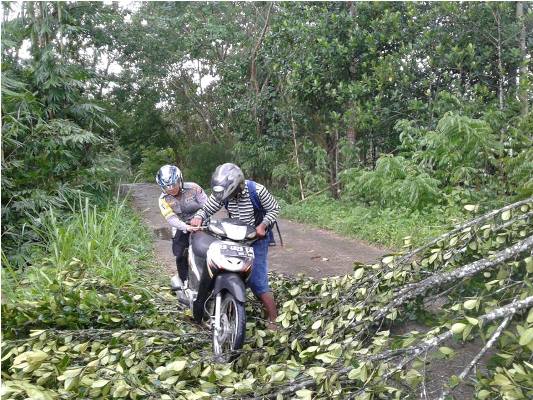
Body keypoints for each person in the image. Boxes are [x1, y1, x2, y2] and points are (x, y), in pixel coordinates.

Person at [190, 163, 280, 329]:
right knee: (226, 267)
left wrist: (263, 225)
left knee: (256, 279)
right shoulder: (223, 193)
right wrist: (199, 216)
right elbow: (208, 207)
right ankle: (225, 303)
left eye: (229, 195)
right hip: (233, 236)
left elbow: (274, 209)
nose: (226, 199)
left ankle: (274, 317)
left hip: (256, 239)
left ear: (237, 186)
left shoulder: (257, 191)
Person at [156, 165, 206, 289]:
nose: (171, 189)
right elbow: (171, 218)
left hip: (203, 223)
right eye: (166, 187)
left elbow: (207, 205)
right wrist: (186, 227)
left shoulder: (194, 188)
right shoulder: (163, 200)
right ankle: (185, 283)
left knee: (208, 250)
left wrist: (200, 218)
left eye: (174, 184)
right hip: (182, 227)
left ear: (180, 180)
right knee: (180, 254)